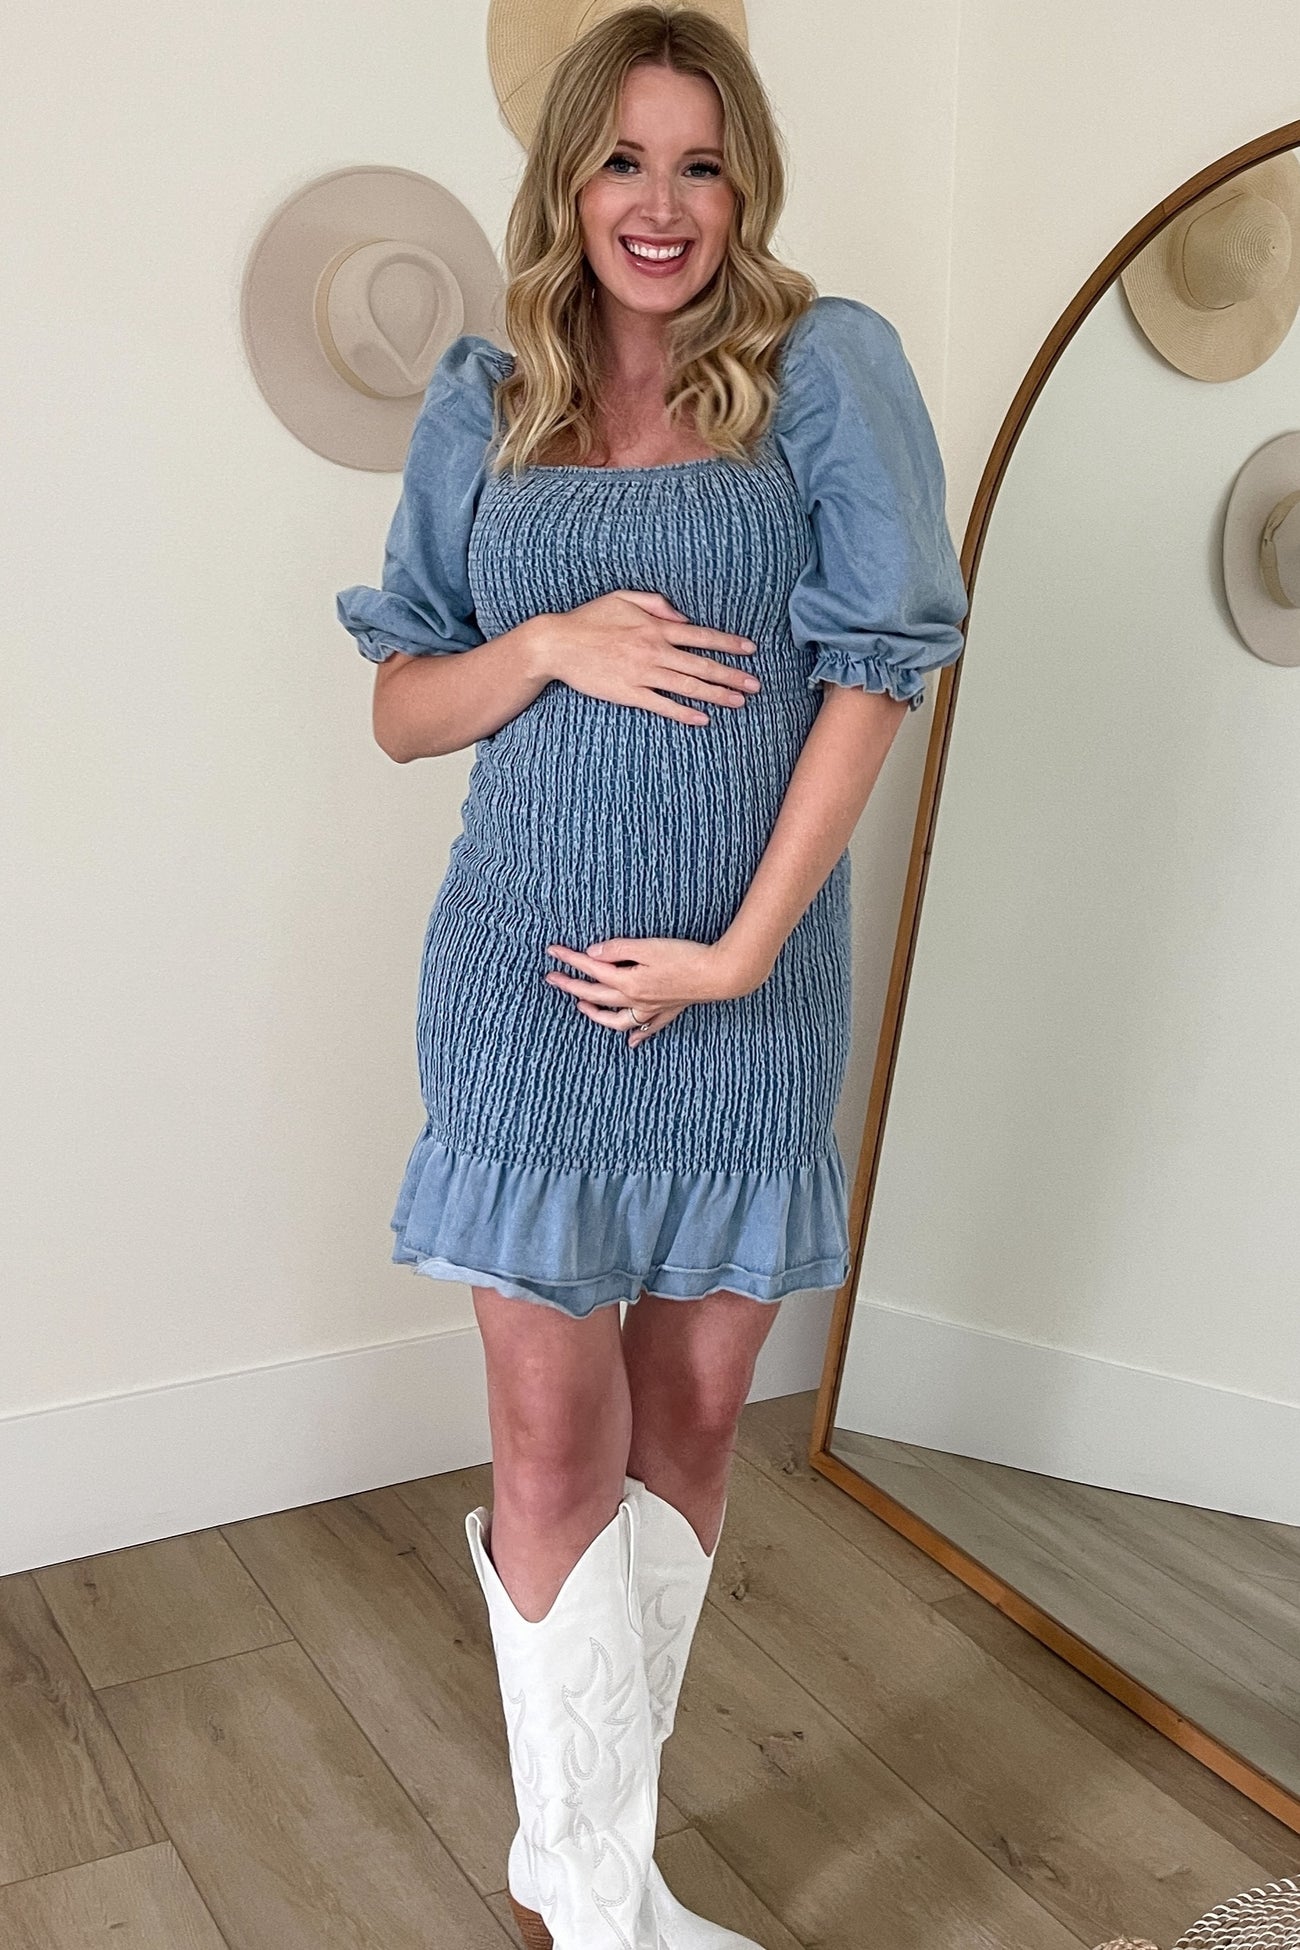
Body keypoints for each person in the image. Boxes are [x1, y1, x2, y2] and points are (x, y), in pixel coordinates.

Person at [336, 7, 968, 1944]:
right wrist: (544, 645)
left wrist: (739, 949)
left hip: (744, 997)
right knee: (552, 1438)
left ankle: (582, 1869)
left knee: (687, 1431)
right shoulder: (487, 398)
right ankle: (605, 1911)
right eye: (624, 159)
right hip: (522, 993)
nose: (662, 203)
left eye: (700, 163)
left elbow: (878, 668)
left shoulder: (823, 369)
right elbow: (400, 706)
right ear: (568, 182)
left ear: (745, 182)